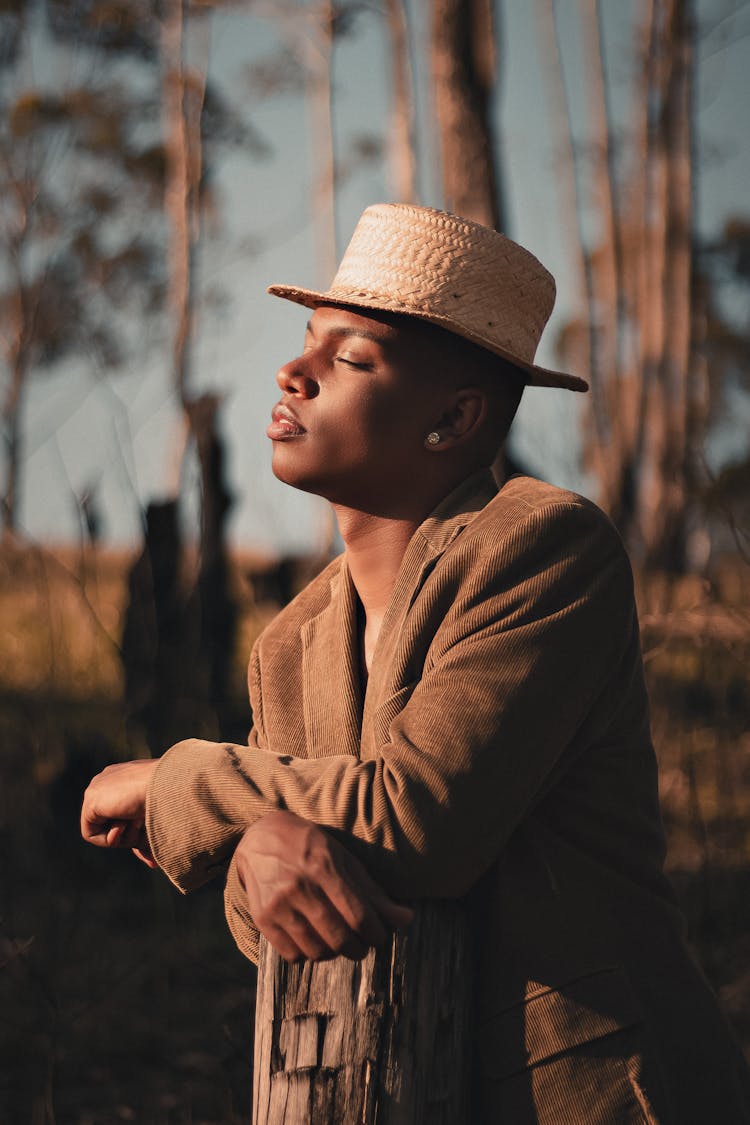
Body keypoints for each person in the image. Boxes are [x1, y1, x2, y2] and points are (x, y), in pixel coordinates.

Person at [82, 203, 750, 1123]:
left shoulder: (547, 548)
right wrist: (265, 841)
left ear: (455, 418)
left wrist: (179, 776)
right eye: (308, 341)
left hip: (582, 1095)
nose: (293, 372)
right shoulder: (291, 639)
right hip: (379, 1083)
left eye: (350, 359)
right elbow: (266, 916)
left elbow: (413, 820)